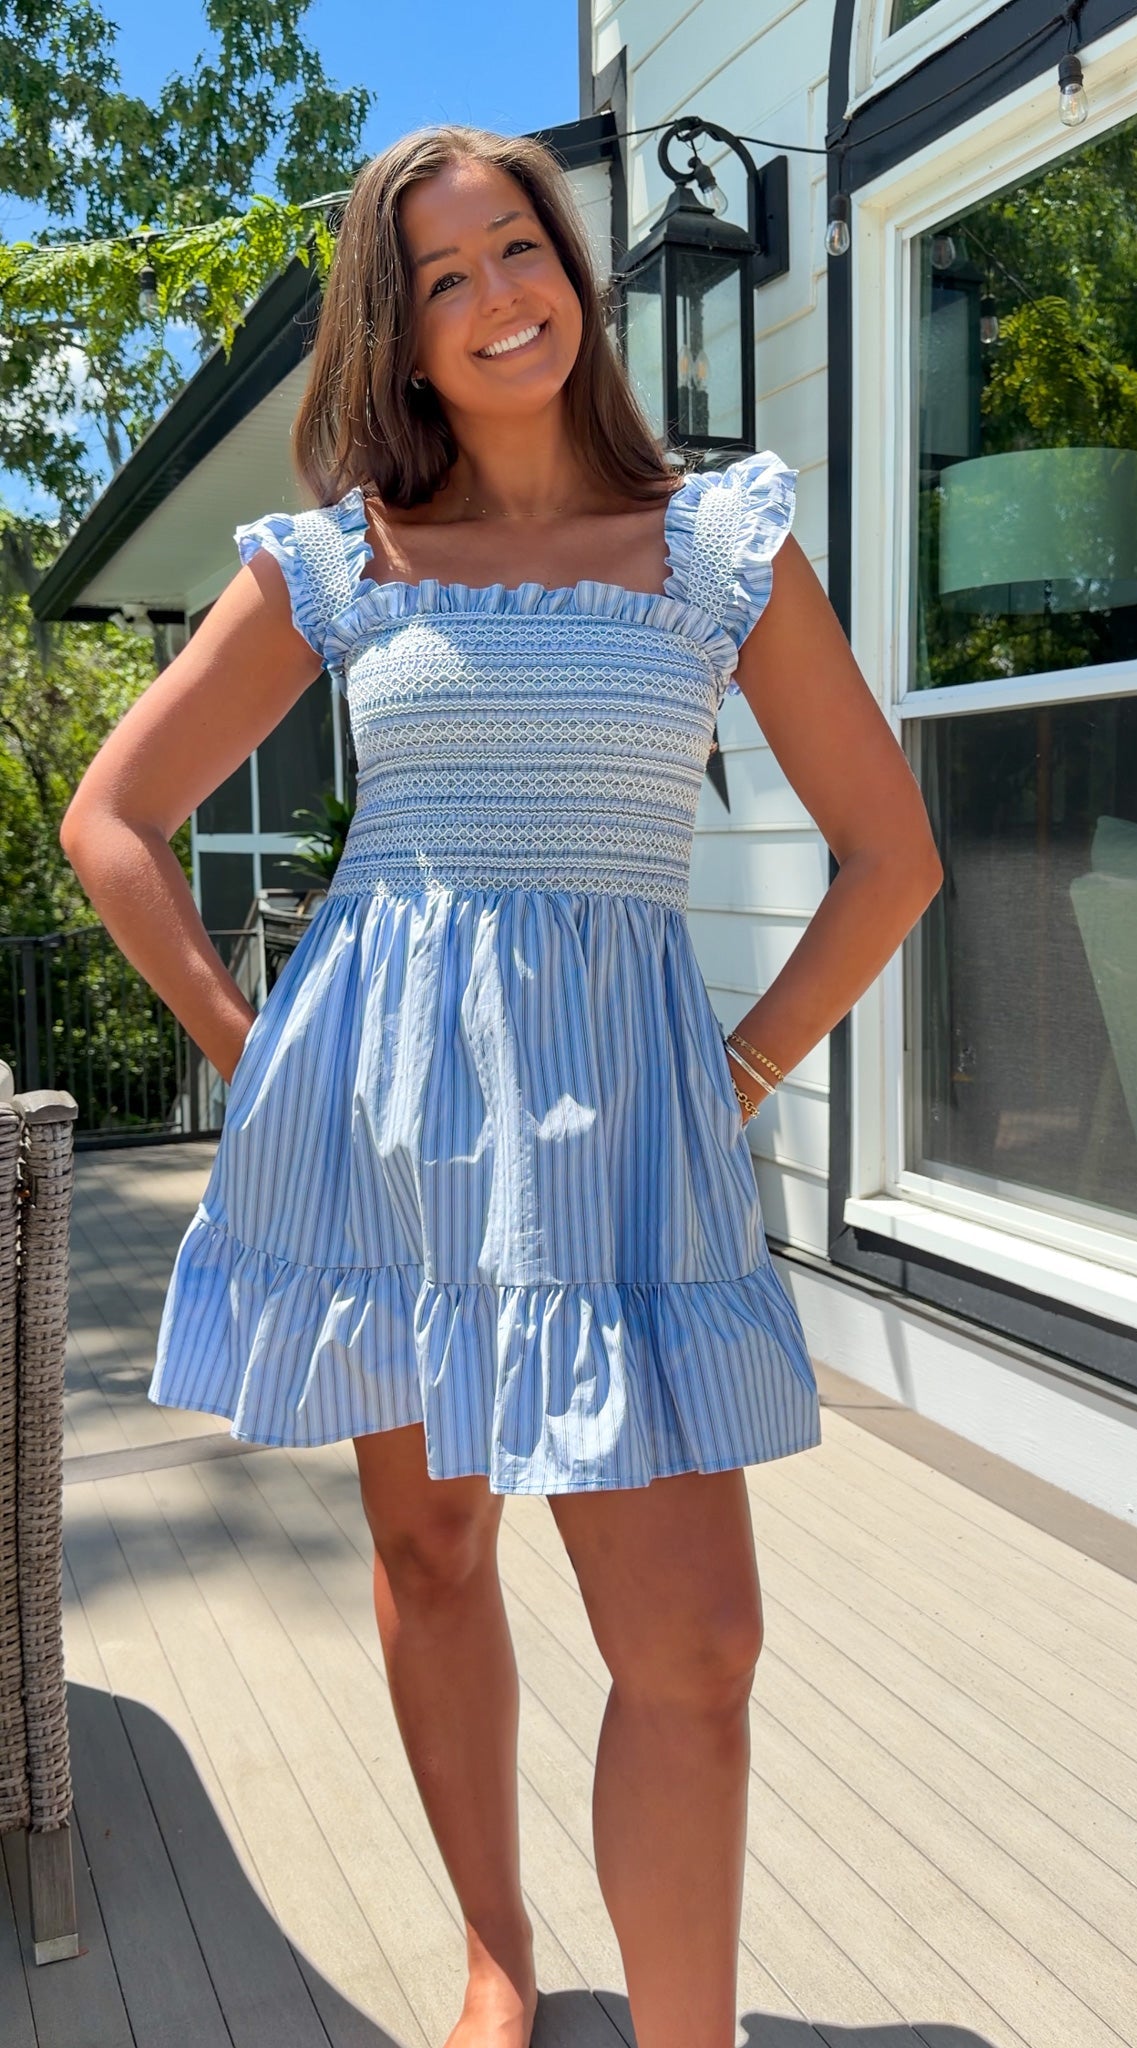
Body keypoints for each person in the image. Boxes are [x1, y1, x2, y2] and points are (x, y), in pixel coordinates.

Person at [60, 122, 942, 2048]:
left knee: (696, 1645)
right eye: (443, 275)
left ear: (574, 266)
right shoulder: (343, 561)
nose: (495, 298)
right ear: (401, 324)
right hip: (392, 1137)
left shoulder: (718, 544)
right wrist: (266, 1057)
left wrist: (746, 1074)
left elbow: (894, 855)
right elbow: (113, 820)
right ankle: (495, 1949)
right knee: (432, 1544)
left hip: (629, 1146)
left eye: (517, 250)